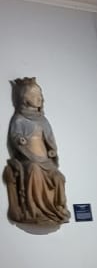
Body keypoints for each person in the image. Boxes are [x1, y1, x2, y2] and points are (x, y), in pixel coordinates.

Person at [5, 78, 70, 226]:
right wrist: (20, 140)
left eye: (40, 95)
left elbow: (49, 139)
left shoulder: (43, 120)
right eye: (34, 95)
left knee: (59, 177)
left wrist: (52, 151)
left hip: (45, 160)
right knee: (34, 170)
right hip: (28, 159)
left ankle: (57, 208)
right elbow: (15, 136)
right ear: (25, 99)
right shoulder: (19, 119)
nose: (39, 98)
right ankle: (35, 209)